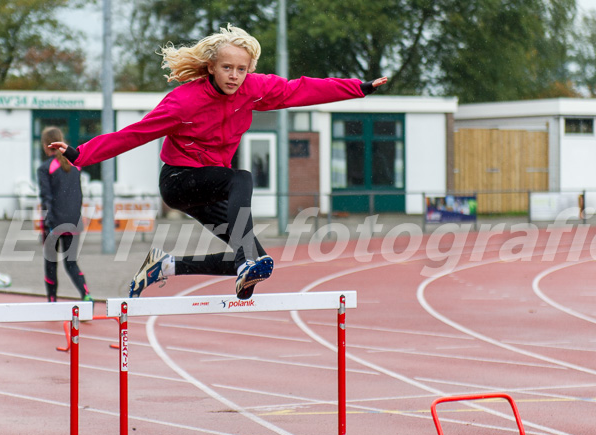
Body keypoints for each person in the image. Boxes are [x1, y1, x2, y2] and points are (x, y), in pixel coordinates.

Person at [49, 24, 387, 300]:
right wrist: (80, 154)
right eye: (227, 68)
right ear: (211, 67)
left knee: (259, 261)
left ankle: (165, 266)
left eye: (241, 70)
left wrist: (358, 87)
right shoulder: (184, 101)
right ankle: (244, 264)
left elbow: (300, 89)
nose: (234, 76)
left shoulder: (254, 89)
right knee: (241, 181)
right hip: (180, 181)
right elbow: (136, 133)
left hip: (213, 185)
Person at [37, 126, 93, 303]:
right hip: (73, 221)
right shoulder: (75, 166)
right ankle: (86, 295)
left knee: (51, 264)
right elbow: (79, 195)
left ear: (46, 145)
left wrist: (46, 224)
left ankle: (52, 301)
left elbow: (46, 198)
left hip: (54, 222)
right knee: (71, 264)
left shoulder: (45, 168)